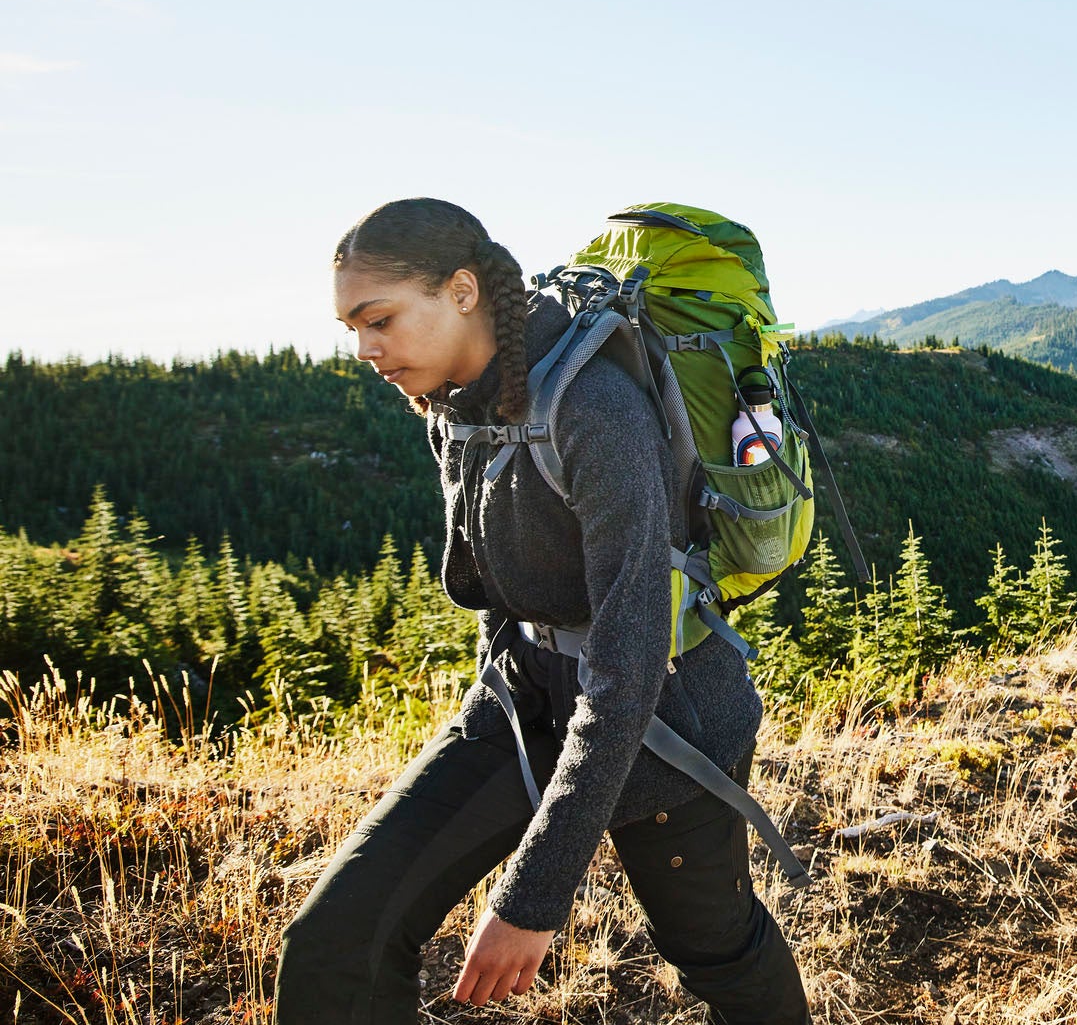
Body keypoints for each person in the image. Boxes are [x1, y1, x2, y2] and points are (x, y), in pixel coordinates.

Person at [275, 198, 809, 1024]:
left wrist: (532, 895)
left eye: (378, 319)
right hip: (524, 701)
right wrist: (488, 715)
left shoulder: (593, 405)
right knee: (338, 939)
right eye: (352, 325)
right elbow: (497, 583)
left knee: (718, 952)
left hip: (668, 718)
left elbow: (629, 666)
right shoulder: (457, 405)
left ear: (460, 290)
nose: (364, 349)